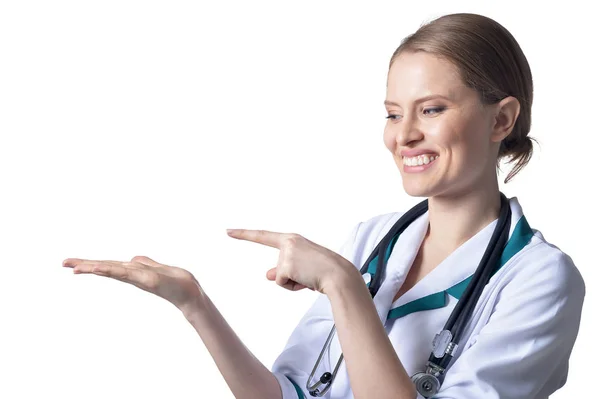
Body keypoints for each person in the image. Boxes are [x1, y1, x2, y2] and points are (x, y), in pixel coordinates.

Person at [62, 12, 585, 399]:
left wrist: (342, 285)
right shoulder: (373, 239)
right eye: (391, 113)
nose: (404, 136)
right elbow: (284, 394)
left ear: (501, 120)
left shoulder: (539, 279)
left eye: (431, 109)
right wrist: (194, 304)